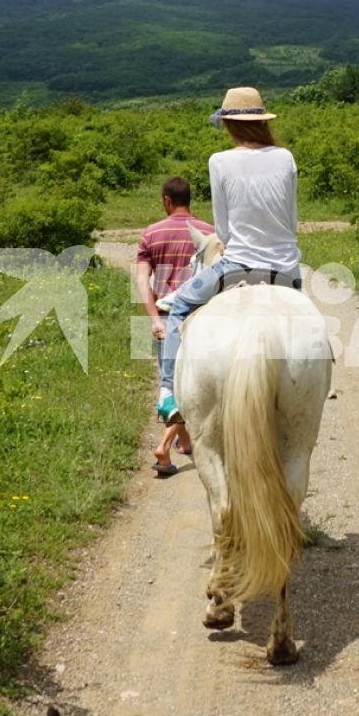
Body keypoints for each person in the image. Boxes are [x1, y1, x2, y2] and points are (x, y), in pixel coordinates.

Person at [156, 86, 301, 424]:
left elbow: (222, 229)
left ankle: (166, 392)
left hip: (238, 266)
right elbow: (291, 221)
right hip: (286, 270)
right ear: (263, 122)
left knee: (177, 307)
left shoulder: (219, 161)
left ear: (229, 124)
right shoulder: (286, 157)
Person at [134, 175, 214, 475]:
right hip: (203, 319)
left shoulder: (151, 234)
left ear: (167, 200)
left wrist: (154, 318)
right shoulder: (210, 232)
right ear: (189, 199)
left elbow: (142, 280)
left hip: (167, 319)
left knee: (173, 384)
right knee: (191, 385)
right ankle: (184, 442)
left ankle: (164, 447)